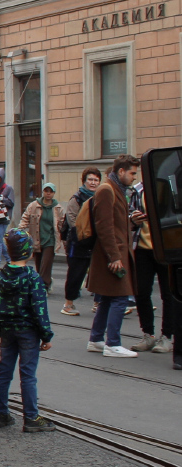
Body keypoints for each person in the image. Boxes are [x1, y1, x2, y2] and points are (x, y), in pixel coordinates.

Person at [0, 229, 57, 432]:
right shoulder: (33, 278)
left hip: (7, 331)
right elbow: (40, 310)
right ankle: (31, 418)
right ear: (27, 251)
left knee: (4, 371)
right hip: (28, 332)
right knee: (27, 374)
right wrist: (46, 336)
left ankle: (0, 414)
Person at [87, 153, 141, 358]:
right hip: (112, 254)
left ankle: (96, 339)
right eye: (132, 173)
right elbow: (104, 226)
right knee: (120, 298)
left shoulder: (115, 189)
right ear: (121, 171)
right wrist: (114, 256)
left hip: (113, 252)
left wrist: (133, 222)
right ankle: (112, 343)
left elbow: (115, 223)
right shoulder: (107, 189)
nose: (134, 177)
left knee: (109, 298)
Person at [127, 181, 175, 354]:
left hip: (165, 248)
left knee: (168, 294)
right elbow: (130, 214)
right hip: (142, 248)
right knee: (141, 292)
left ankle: (167, 336)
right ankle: (148, 334)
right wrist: (133, 219)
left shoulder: (170, 187)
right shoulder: (138, 190)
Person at [60, 168, 101, 316]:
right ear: (84, 181)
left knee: (98, 273)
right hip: (78, 243)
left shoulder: (100, 197)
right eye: (90, 179)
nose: (93, 183)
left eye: (96, 180)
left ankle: (98, 303)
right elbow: (73, 222)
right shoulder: (76, 199)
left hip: (96, 242)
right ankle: (68, 304)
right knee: (76, 274)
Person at [19, 182, 63, 290]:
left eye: (51, 192)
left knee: (45, 265)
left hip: (50, 241)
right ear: (43, 192)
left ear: (54, 193)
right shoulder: (34, 205)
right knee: (39, 265)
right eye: (46, 191)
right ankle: (46, 281)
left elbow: (62, 223)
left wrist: (64, 238)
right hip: (37, 240)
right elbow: (25, 218)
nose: (48, 194)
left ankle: (43, 287)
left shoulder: (58, 208)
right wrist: (19, 230)